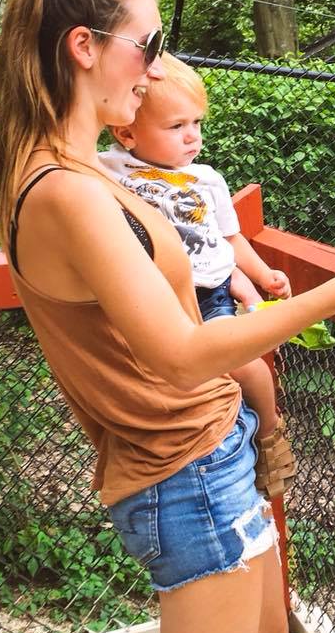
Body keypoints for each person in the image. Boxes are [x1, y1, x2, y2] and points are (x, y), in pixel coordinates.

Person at [0, 0, 335, 633]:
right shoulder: (68, 192)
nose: (158, 68)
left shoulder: (77, 171)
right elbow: (181, 355)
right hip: (184, 467)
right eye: (150, 42)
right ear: (83, 46)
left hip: (214, 448)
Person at [98, 52, 296, 498]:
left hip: (208, 293)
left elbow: (231, 239)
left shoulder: (207, 180)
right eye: (175, 126)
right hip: (153, 298)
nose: (193, 137)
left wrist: (265, 277)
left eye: (197, 123)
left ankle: (269, 433)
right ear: (126, 131)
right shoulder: (108, 168)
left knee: (249, 367)